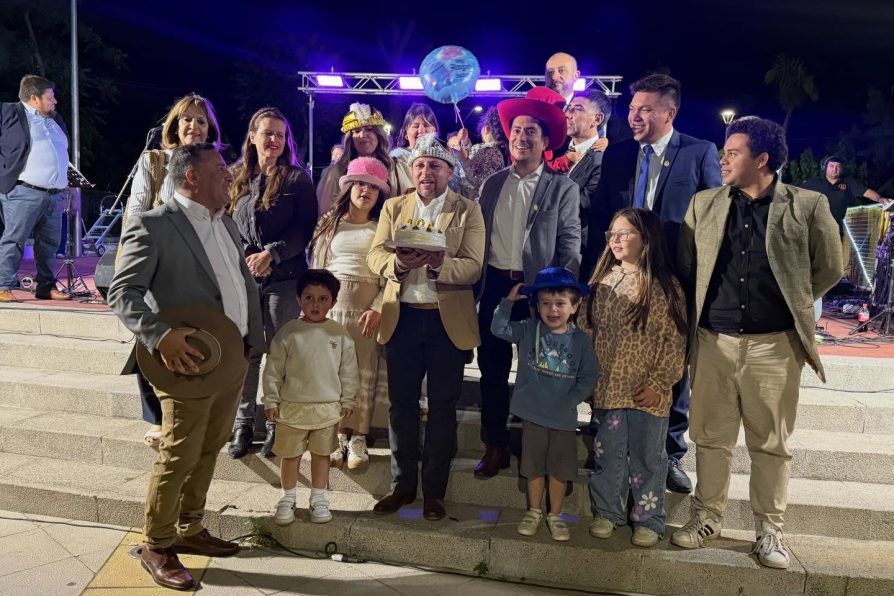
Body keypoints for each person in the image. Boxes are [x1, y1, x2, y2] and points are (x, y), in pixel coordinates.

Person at [672, 116, 842, 569]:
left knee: (771, 443)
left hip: (775, 345)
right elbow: (689, 266)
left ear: (761, 159)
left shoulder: (807, 205)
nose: (724, 158)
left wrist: (794, 303)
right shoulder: (704, 204)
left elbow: (830, 267)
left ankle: (770, 531)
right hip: (713, 341)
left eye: (734, 152)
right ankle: (707, 516)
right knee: (710, 438)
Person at [108, 143, 264, 591]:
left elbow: (236, 282)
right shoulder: (154, 224)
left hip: (232, 356)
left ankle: (191, 527)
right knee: (179, 452)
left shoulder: (226, 222)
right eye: (219, 170)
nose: (229, 178)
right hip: (186, 360)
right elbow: (124, 292)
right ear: (191, 177)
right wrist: (160, 336)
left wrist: (253, 338)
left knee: (210, 445)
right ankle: (157, 544)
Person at [586, 74, 721, 494]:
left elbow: (713, 218)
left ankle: (671, 453)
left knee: (671, 362)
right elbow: (603, 216)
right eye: (631, 109)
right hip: (621, 273)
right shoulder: (619, 154)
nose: (635, 116)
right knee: (610, 353)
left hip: (674, 274)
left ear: (669, 112)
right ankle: (606, 441)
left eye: (645, 109)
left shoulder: (699, 152)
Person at [367, 134, 485, 521]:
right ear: (410, 170)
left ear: (450, 170)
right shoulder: (393, 207)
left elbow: (472, 265)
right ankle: (402, 486)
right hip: (401, 318)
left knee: (443, 408)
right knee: (401, 406)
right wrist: (399, 265)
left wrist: (436, 265)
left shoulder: (468, 209)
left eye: (434, 165)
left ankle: (434, 491)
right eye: (419, 165)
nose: (425, 171)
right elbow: (375, 256)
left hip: (444, 320)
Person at [474, 87, 581, 479]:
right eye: (516, 130)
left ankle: (541, 453)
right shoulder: (491, 185)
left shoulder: (562, 187)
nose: (521, 137)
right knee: (493, 370)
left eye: (530, 131)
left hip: (541, 293)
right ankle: (495, 445)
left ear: (546, 140)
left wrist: (561, 294)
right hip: (496, 289)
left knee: (542, 374)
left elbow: (570, 243)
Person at [121, 93, 223, 449]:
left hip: (202, 264)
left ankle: (192, 411)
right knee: (152, 335)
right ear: (174, 127)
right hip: (158, 261)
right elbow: (135, 210)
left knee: (197, 336)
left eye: (200, 121)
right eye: (187, 120)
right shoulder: (154, 161)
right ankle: (159, 417)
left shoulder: (218, 163)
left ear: (210, 128)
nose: (193, 126)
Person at [581, 208, 688, 548]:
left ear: (647, 239)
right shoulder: (601, 283)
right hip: (609, 389)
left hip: (647, 394)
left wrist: (659, 384)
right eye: (612, 233)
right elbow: (586, 333)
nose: (615, 239)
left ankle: (649, 519)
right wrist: (587, 379)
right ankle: (608, 512)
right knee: (607, 454)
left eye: (625, 233)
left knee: (648, 457)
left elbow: (676, 342)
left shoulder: (666, 287)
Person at [227, 107, 317, 459]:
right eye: (268, 133)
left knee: (281, 355)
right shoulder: (237, 177)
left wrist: (271, 254)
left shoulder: (297, 178)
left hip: (285, 278)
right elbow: (227, 222)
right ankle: (243, 424)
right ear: (252, 136)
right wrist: (250, 253)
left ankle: (278, 425)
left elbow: (304, 229)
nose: (275, 140)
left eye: (281, 134)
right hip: (245, 279)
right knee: (247, 354)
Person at [491, 267, 597, 541]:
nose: (553, 310)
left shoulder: (581, 342)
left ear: (574, 307)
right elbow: (498, 328)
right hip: (533, 415)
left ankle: (556, 514)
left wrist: (571, 400)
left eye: (560, 303)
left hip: (562, 418)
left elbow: (589, 377)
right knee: (534, 466)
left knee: (560, 469)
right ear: (537, 305)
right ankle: (534, 510)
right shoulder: (529, 330)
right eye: (546, 303)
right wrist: (507, 302)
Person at [311, 157, 391, 469]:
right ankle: (334, 435)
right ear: (349, 186)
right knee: (332, 375)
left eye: (374, 187)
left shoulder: (383, 227)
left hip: (366, 314)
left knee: (361, 374)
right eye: (361, 183)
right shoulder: (329, 223)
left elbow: (391, 277)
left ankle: (358, 437)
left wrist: (377, 308)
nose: (366, 191)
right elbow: (317, 268)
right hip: (332, 312)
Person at [263, 269, 359, 525]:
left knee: (321, 455)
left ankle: (318, 498)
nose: (315, 304)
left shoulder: (339, 334)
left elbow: (349, 370)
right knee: (290, 455)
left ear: (333, 302)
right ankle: (287, 497)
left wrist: (348, 399)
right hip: (291, 408)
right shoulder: (288, 333)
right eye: (309, 298)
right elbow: (273, 368)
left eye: (322, 299)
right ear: (298, 300)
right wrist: (271, 399)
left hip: (327, 409)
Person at [0, 75, 71, 303]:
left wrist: (67, 187)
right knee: (14, 239)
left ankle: (45, 287)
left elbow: (61, 156)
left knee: (49, 245)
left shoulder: (56, 120)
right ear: (34, 98)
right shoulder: (8, 112)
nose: (55, 101)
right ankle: (3, 285)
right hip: (23, 192)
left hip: (55, 194)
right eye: (50, 97)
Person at [316, 103, 402, 214]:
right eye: (356, 131)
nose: (362, 135)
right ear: (350, 138)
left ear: (378, 134)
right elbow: (325, 214)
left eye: (369, 129)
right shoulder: (335, 172)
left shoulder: (391, 168)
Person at [565, 90, 611, 267]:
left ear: (597, 119)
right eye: (569, 108)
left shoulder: (604, 159)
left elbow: (586, 201)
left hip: (582, 251)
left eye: (577, 109)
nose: (569, 114)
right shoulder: (558, 153)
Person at [800, 155, 892, 235]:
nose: (834, 169)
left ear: (841, 169)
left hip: (841, 231)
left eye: (837, 166)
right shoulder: (815, 183)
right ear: (825, 168)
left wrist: (880, 198)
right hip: (818, 231)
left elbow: (866, 192)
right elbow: (795, 190)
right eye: (831, 166)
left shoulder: (849, 183)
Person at [451, 107, 507, 201]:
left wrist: (463, 160)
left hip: (474, 203)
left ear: (487, 128)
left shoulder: (491, 151)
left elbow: (478, 179)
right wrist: (465, 143)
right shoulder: (498, 152)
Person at [391, 102, 440, 190]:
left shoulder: (444, 158)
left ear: (435, 129)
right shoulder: (397, 159)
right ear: (406, 131)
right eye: (416, 126)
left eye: (426, 125)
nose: (421, 131)